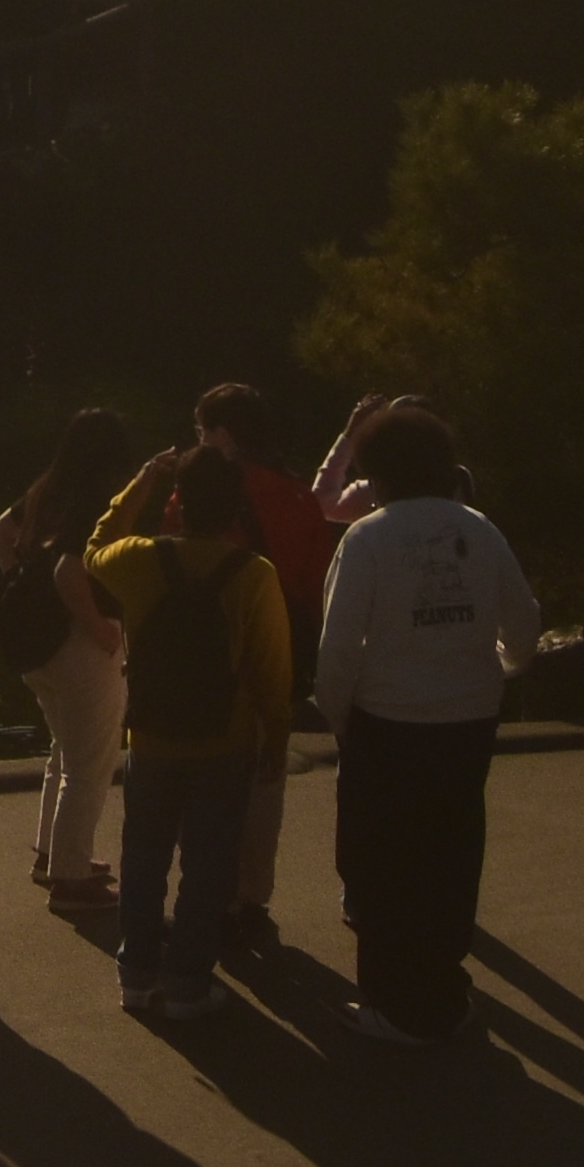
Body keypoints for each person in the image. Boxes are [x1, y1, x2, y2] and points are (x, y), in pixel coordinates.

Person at [313, 405, 538, 1045]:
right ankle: (443, 987)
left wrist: (340, 716)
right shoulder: (480, 529)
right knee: (451, 854)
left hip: (388, 719)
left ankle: (392, 1003)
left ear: (377, 472)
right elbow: (524, 625)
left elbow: (337, 649)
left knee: (381, 864)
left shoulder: (368, 537)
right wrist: (495, 666)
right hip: (468, 720)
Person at [72, 448, 291, 1019]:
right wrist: (277, 736)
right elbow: (272, 669)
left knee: (143, 857)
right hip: (225, 740)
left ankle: (137, 974)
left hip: (151, 738)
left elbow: (93, 550)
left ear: (178, 502)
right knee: (208, 865)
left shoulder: (141, 559)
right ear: (236, 510)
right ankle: (188, 983)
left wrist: (139, 484)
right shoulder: (254, 574)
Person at [213, 385, 351, 956]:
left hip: (217, 658)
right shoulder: (298, 497)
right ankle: (253, 897)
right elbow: (319, 587)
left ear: (222, 435)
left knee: (211, 780)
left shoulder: (204, 493)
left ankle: (213, 894)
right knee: (266, 778)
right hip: (281, 654)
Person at [0, 406, 139, 915]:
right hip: (81, 641)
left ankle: (52, 854)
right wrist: (99, 625)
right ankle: (71, 877)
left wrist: (15, 580)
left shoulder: (47, 490)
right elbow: (69, 572)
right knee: (90, 763)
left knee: (64, 750)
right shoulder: (103, 500)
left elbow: (3, 527)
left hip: (39, 645)